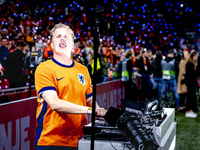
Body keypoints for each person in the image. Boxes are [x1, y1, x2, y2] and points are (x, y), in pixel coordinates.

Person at [34, 23, 107, 149]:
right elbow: (55, 103)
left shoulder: (83, 70)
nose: (62, 39)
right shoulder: (44, 69)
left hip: (79, 139)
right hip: (52, 141)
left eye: (66, 36)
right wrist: (91, 111)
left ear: (73, 44)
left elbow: (89, 98)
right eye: (58, 36)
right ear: (51, 44)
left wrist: (98, 110)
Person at [185, 51, 199, 118]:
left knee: (192, 96)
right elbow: (194, 73)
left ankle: (190, 110)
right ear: (193, 56)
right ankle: (188, 111)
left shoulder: (192, 63)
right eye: (196, 56)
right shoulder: (190, 64)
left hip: (192, 82)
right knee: (190, 97)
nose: (197, 57)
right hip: (190, 82)